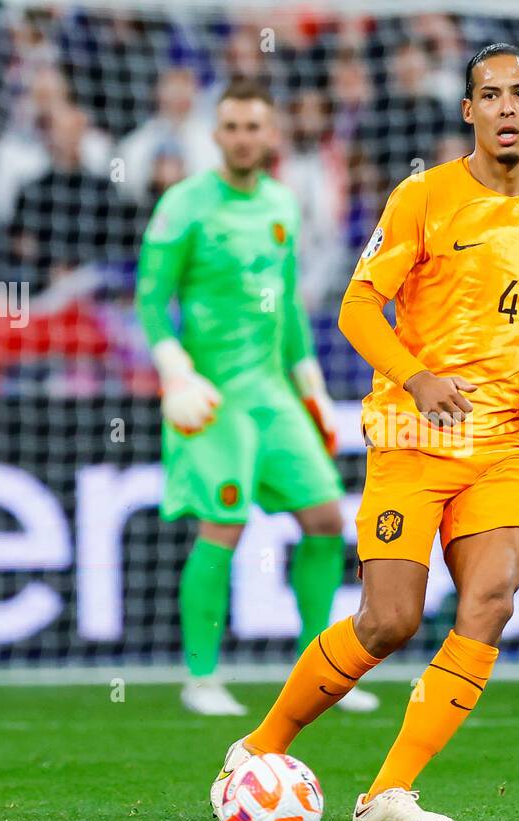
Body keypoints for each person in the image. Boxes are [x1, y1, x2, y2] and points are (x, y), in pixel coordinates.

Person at [210, 43, 519, 821]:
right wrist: (417, 377)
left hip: (500, 444)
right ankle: (260, 743)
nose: (507, 108)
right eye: (491, 96)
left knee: (489, 601)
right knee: (390, 620)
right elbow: (356, 308)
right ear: (469, 112)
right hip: (411, 437)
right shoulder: (422, 198)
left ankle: (388, 791)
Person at [134, 79, 378, 717]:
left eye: (254, 127)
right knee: (226, 521)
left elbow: (290, 304)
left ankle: (319, 673)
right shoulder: (184, 205)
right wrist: (175, 372)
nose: (243, 137)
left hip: (273, 393)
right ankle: (201, 678)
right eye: (232, 127)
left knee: (327, 520)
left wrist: (315, 391)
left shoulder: (281, 203)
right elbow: (150, 298)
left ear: (272, 135)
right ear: (217, 135)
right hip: (214, 398)